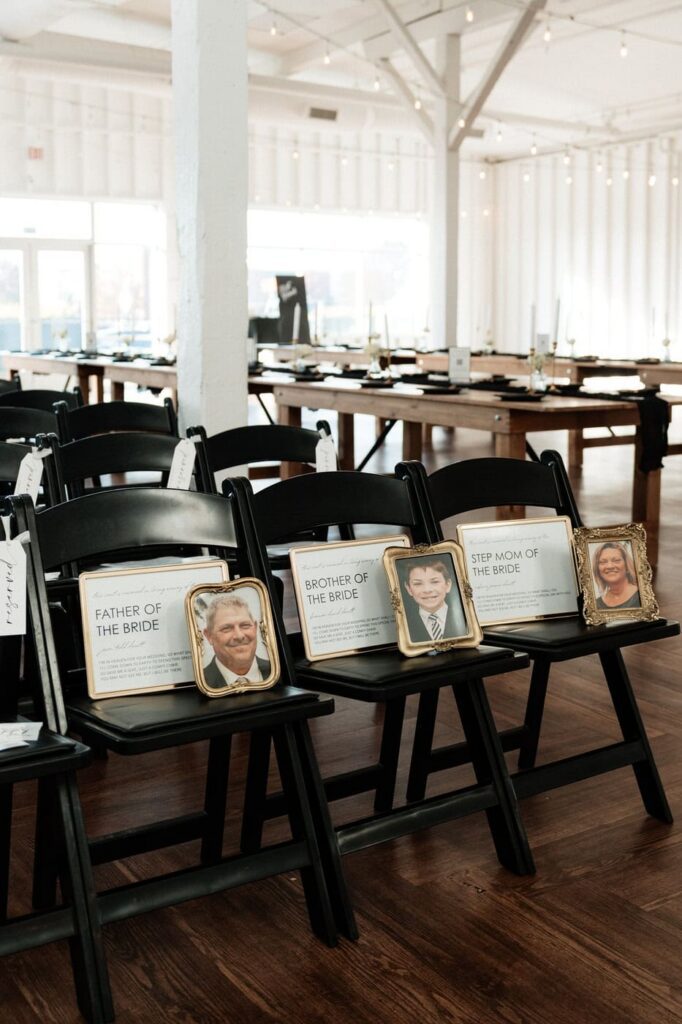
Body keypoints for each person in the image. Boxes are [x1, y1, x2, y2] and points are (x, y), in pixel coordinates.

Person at [202, 593, 271, 690]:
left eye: (245, 625)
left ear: (255, 628)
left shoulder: (278, 672)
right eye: (226, 628)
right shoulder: (202, 682)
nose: (239, 636)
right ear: (209, 636)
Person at [402, 556, 468, 644]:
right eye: (418, 584)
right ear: (409, 589)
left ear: (448, 585)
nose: (427, 590)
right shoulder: (405, 624)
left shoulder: (464, 616)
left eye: (435, 582)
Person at [592, 541, 640, 610]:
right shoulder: (596, 605)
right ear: (597, 569)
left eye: (616, 560)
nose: (609, 566)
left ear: (627, 566)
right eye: (603, 562)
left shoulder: (642, 596)